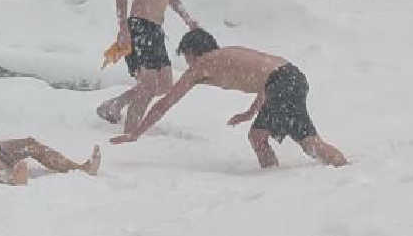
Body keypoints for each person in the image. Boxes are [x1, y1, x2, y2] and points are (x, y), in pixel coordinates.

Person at [111, 28, 347, 169]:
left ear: (193, 53)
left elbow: (166, 103)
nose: (188, 64)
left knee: (260, 137)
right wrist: (250, 112)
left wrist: (136, 132)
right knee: (307, 142)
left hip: (282, 83)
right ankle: (341, 168)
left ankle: (273, 179)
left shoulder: (203, 63)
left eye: (187, 57)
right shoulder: (228, 55)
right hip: (293, 78)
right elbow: (267, 79)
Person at [97, 0, 200, 137]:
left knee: (164, 85)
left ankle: (114, 105)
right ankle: (129, 135)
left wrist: (188, 19)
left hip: (155, 30)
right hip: (138, 28)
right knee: (148, 86)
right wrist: (123, 29)